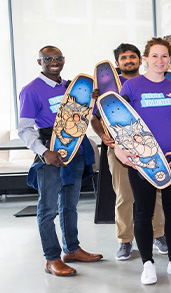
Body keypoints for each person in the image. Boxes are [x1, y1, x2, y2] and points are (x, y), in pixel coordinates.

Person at [18, 45, 103, 277]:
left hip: (75, 148)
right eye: (48, 58)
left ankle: (72, 249)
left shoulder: (70, 87)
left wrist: (90, 101)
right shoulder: (30, 90)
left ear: (63, 61)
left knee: (69, 205)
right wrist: (44, 152)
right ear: (40, 62)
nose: (54, 62)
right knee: (47, 209)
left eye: (58, 58)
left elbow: (81, 117)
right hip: (50, 152)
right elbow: (24, 129)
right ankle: (52, 258)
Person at [114, 37, 171, 284]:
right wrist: (119, 149)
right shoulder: (132, 86)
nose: (161, 61)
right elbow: (120, 123)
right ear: (146, 58)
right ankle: (147, 263)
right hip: (142, 160)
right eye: (155, 56)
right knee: (144, 211)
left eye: (165, 56)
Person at [90, 43, 167, 261]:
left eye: (132, 57)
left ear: (140, 60)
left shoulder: (147, 82)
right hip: (118, 150)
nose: (129, 61)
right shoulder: (105, 89)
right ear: (117, 63)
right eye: (124, 58)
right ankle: (125, 240)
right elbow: (95, 117)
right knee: (124, 196)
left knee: (156, 193)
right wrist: (103, 136)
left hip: (148, 148)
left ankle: (159, 235)